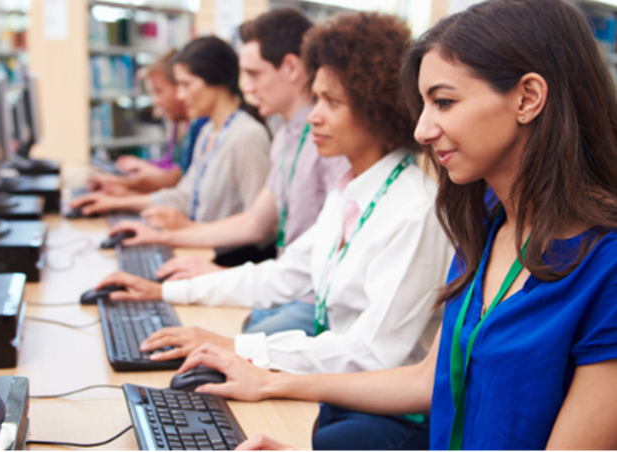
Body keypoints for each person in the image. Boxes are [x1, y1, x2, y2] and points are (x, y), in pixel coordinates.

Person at [172, 1, 617, 451]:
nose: (422, 130)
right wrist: (268, 382)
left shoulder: (607, 267)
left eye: (443, 102)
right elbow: (430, 379)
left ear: (527, 98)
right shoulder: (484, 224)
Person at [95, 13, 452, 381]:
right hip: (341, 372)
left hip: (384, 401)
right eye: (315, 98)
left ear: (376, 105)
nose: (314, 116)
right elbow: (284, 276)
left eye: (331, 101)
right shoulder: (349, 190)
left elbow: (371, 353)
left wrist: (235, 346)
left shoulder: (415, 210)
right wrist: (165, 291)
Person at [106, 8, 351, 336]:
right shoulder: (285, 136)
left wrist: (215, 271)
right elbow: (255, 220)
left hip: (308, 298)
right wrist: (164, 237)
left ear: (292, 67)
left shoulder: (329, 142)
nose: (247, 86)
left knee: (212, 343)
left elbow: (265, 237)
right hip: (283, 288)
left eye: (254, 74)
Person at [70, 37, 271, 232]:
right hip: (201, 246)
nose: (181, 95)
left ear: (214, 79)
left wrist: (190, 229)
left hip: (229, 258)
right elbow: (184, 196)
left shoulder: (247, 136)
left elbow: (259, 226)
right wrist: (118, 202)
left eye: (187, 84)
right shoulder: (209, 131)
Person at [88, 50, 209, 196]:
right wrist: (146, 168)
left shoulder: (201, 125)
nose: (155, 101)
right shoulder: (179, 123)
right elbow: (175, 168)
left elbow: (181, 179)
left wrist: (129, 187)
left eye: (159, 91)